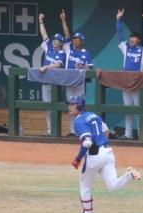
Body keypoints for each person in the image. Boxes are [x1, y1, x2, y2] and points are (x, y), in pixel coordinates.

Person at [67, 95, 142, 213]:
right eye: (69, 103)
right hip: (107, 153)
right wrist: (101, 142)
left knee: (84, 184)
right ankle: (129, 175)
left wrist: (78, 158)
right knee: (112, 186)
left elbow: (87, 142)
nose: (69, 106)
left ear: (79, 106)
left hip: (94, 154)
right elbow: (106, 131)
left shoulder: (79, 121)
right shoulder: (93, 115)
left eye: (73, 104)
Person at [116, 8, 143, 140]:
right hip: (126, 82)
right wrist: (118, 19)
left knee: (139, 110)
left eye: (134, 37)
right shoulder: (125, 48)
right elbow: (120, 33)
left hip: (138, 82)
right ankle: (128, 134)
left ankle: (141, 134)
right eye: (131, 37)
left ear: (139, 40)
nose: (131, 39)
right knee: (128, 110)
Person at [61, 9, 94, 138]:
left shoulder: (86, 53)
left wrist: (82, 67)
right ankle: (72, 130)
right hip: (69, 82)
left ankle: (81, 130)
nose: (75, 41)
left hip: (80, 83)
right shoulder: (69, 49)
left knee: (79, 107)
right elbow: (66, 34)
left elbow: (90, 68)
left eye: (78, 40)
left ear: (82, 41)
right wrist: (63, 20)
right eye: (74, 39)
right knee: (71, 107)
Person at [38, 13, 66, 137]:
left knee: (55, 106)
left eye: (57, 40)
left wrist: (46, 67)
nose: (54, 42)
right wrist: (41, 21)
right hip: (45, 81)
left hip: (55, 83)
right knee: (47, 107)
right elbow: (44, 34)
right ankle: (50, 129)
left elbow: (58, 65)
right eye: (54, 40)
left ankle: (56, 129)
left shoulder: (62, 53)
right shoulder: (49, 47)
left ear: (61, 43)